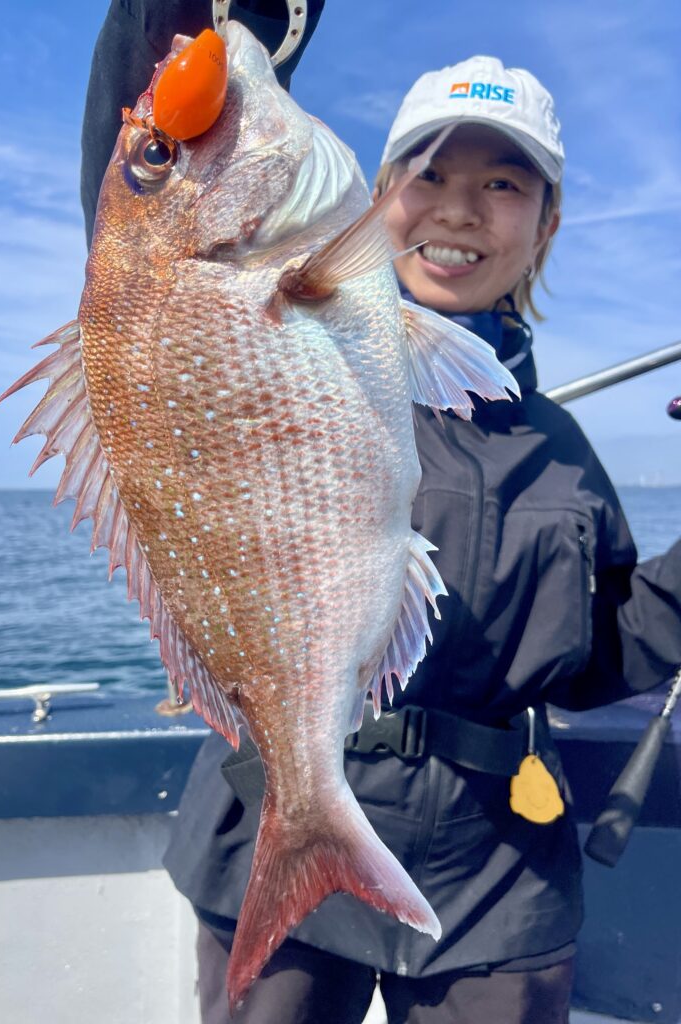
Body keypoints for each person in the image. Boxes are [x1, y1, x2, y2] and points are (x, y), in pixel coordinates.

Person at [80, 12, 681, 1024]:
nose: (460, 208)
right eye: (430, 173)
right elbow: (142, 179)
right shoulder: (227, 304)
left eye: (504, 185)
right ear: (378, 189)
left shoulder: (562, 448)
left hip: (494, 877)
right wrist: (214, 27)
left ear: (546, 225)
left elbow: (599, 654)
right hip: (266, 817)